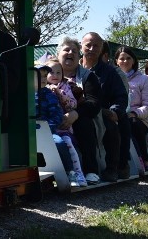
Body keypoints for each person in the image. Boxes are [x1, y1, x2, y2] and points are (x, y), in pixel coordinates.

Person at [81, 32, 129, 182]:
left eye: (96, 45)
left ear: (102, 49)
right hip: (80, 112)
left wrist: (115, 111)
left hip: (103, 112)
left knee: (111, 125)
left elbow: (121, 96)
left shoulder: (109, 72)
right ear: (81, 46)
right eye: (88, 45)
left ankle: (112, 168)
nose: (91, 48)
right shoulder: (73, 69)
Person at [35, 58, 87, 187]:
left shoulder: (50, 95)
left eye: (44, 76)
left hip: (48, 131)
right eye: (38, 76)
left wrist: (48, 127)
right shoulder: (25, 95)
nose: (42, 79)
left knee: (60, 142)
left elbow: (57, 115)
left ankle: (70, 172)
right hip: (31, 131)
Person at [57, 35, 102, 185]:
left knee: (84, 123)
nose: (70, 53)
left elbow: (93, 103)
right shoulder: (47, 71)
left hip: (80, 116)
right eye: (66, 50)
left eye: (74, 51)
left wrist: (75, 114)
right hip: (52, 114)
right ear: (58, 54)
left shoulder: (88, 77)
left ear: (79, 56)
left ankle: (91, 170)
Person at [115, 46, 148, 172]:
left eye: (128, 58)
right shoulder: (113, 78)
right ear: (116, 61)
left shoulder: (144, 79)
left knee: (132, 123)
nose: (125, 61)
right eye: (121, 58)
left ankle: (144, 159)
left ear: (134, 60)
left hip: (139, 118)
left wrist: (134, 113)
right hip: (117, 114)